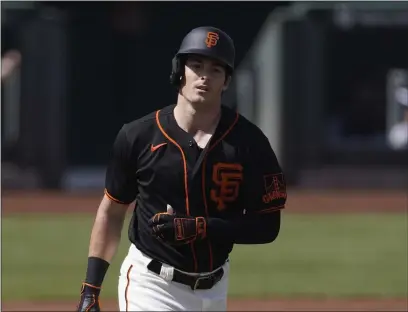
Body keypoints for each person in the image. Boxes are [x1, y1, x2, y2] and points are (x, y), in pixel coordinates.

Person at [77, 26, 286, 312]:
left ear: (226, 81)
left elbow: (267, 227)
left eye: (215, 69)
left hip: (214, 290)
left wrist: (202, 228)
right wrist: (90, 290)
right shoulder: (137, 136)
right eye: (196, 65)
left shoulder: (249, 143)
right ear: (179, 71)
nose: (204, 76)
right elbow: (112, 212)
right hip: (151, 284)